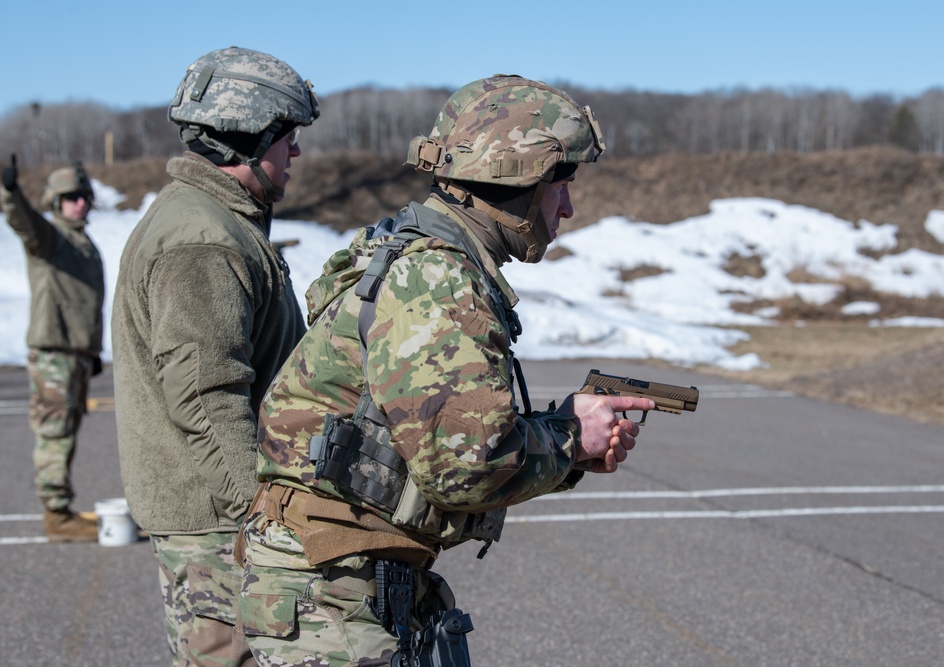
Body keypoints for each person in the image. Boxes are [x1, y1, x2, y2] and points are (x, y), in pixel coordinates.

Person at [237, 74, 655, 666]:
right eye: (559, 185)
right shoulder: (435, 279)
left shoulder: (416, 254)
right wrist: (570, 437)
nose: (567, 206)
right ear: (515, 179)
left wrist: (565, 437)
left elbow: (440, 437)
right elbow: (466, 469)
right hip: (331, 586)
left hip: (345, 573)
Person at [111, 46, 319, 666]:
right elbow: (206, 400)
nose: (297, 154)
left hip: (218, 516)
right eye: (288, 138)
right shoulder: (203, 240)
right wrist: (262, 525)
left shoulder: (211, 221)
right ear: (248, 139)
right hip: (220, 528)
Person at [1, 157, 104, 543]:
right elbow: (23, 221)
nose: (78, 203)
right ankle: (56, 515)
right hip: (54, 354)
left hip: (74, 354)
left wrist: (90, 352)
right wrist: (10, 192)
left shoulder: (82, 241)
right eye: (69, 197)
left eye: (83, 196)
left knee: (68, 430)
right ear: (54, 202)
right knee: (55, 433)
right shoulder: (52, 237)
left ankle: (60, 509)